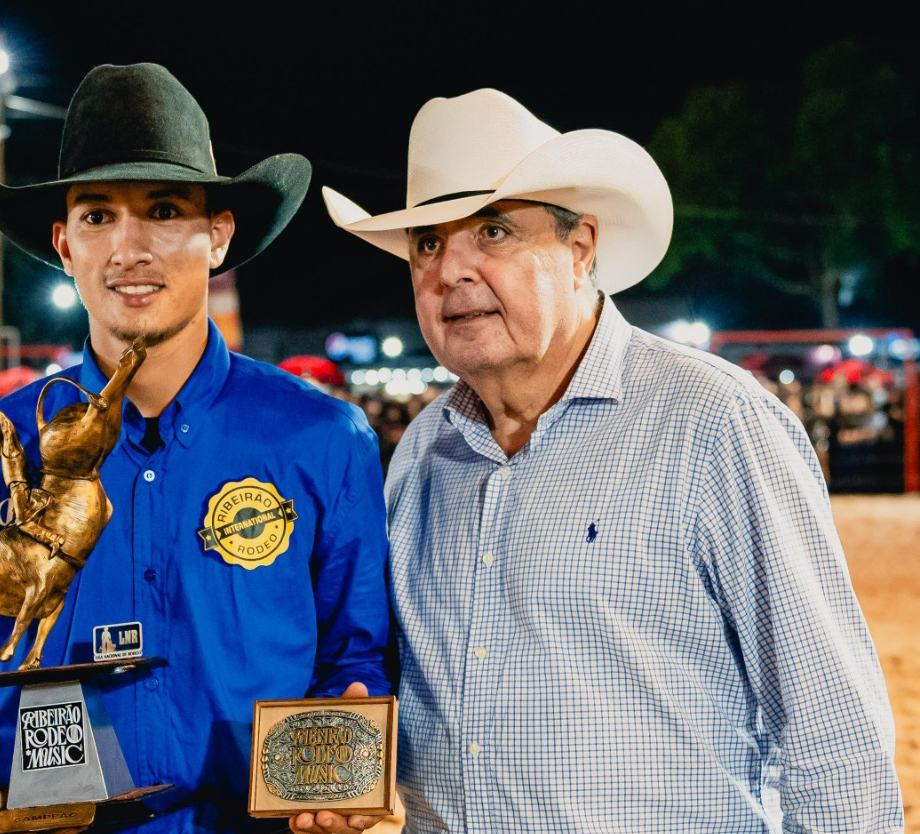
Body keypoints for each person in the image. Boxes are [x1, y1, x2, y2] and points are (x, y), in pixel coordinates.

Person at [304, 89, 904, 833]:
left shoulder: (713, 424)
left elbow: (832, 734)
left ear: (581, 246)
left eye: (492, 231)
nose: (449, 269)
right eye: (427, 241)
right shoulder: (422, 454)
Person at [0, 63, 390, 834]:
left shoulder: (320, 438)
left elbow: (355, 655)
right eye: (96, 215)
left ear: (218, 235)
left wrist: (346, 746)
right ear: (63, 244)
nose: (129, 247)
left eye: (162, 209)